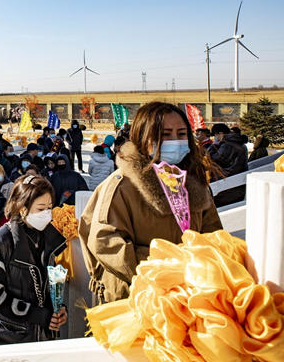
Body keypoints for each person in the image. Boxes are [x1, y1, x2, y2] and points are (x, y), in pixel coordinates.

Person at [79, 101, 223, 304]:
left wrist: (204, 266)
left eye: (181, 134)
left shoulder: (192, 183)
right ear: (143, 137)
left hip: (189, 294)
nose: (175, 141)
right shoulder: (122, 185)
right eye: (165, 135)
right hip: (137, 297)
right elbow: (106, 242)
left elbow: (214, 235)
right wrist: (167, 270)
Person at [0, 175, 68, 345]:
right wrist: (37, 315)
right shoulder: (1, 242)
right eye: (40, 209)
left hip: (37, 337)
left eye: (49, 207)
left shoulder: (49, 238)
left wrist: (57, 309)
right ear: (22, 208)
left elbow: (43, 287)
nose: (47, 214)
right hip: (3, 337)